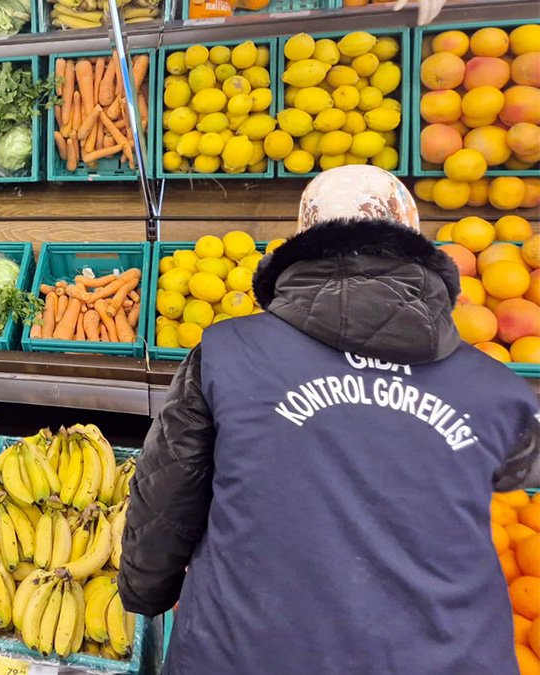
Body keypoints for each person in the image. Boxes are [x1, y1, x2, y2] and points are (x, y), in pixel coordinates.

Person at [118, 165, 540, 675]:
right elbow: (516, 476)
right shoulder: (495, 389)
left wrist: (145, 591)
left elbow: (167, 496)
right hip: (445, 655)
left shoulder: (226, 355)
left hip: (242, 651)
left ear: (302, 242)